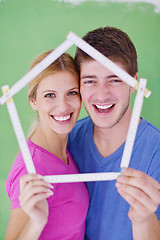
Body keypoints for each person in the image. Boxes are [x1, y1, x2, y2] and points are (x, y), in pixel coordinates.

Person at [67, 26, 160, 240]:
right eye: (90, 80)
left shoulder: (156, 152)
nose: (102, 94)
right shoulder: (68, 141)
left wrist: (144, 220)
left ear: (133, 83)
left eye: (115, 79)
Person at [5, 50, 89, 240]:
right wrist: (36, 222)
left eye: (72, 93)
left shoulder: (67, 149)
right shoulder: (31, 169)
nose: (63, 106)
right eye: (50, 95)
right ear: (33, 101)